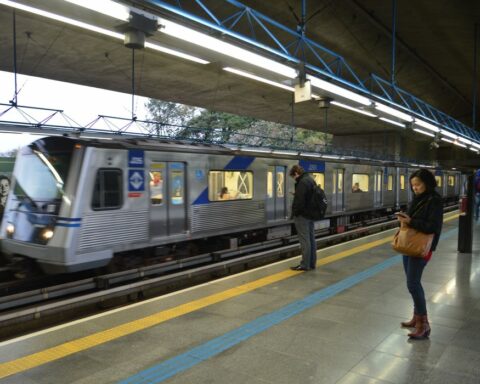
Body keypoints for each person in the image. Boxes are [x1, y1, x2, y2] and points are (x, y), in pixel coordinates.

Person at [396, 169, 443, 339]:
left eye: (418, 185)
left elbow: (432, 227)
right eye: (413, 185)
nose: (415, 188)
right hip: (409, 246)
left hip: (422, 248)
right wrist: (405, 219)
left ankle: (424, 324)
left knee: (413, 284)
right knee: (413, 283)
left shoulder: (435, 201)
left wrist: (411, 221)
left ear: (427, 183)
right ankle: (416, 318)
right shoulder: (417, 199)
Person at [289, 165, 317, 271]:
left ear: (296, 173)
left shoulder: (302, 182)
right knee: (311, 239)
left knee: (304, 241)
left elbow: (300, 202)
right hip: (310, 214)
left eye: (293, 176)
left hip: (303, 216)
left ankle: (305, 264)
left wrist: (295, 213)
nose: (294, 179)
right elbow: (308, 197)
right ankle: (312, 263)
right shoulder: (310, 180)